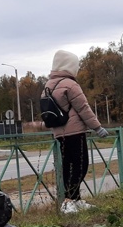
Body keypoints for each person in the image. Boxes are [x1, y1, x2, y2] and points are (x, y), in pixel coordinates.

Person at [42, 50, 109, 213]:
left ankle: (75, 200)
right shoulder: (71, 84)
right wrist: (97, 127)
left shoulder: (48, 85)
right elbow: (83, 108)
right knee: (80, 165)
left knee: (67, 166)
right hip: (75, 132)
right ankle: (69, 200)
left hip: (59, 132)